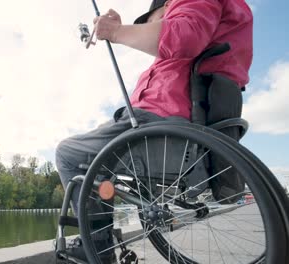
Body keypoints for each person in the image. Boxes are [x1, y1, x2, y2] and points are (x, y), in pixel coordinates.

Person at [55, 0, 253, 262]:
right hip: (189, 135)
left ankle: (98, 246)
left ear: (168, 5)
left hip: (160, 129)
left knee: (68, 153)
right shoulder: (223, 25)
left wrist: (116, 32)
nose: (150, 26)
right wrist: (123, 28)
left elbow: (183, 35)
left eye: (153, 19)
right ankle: (100, 231)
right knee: (101, 163)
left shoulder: (191, 14)